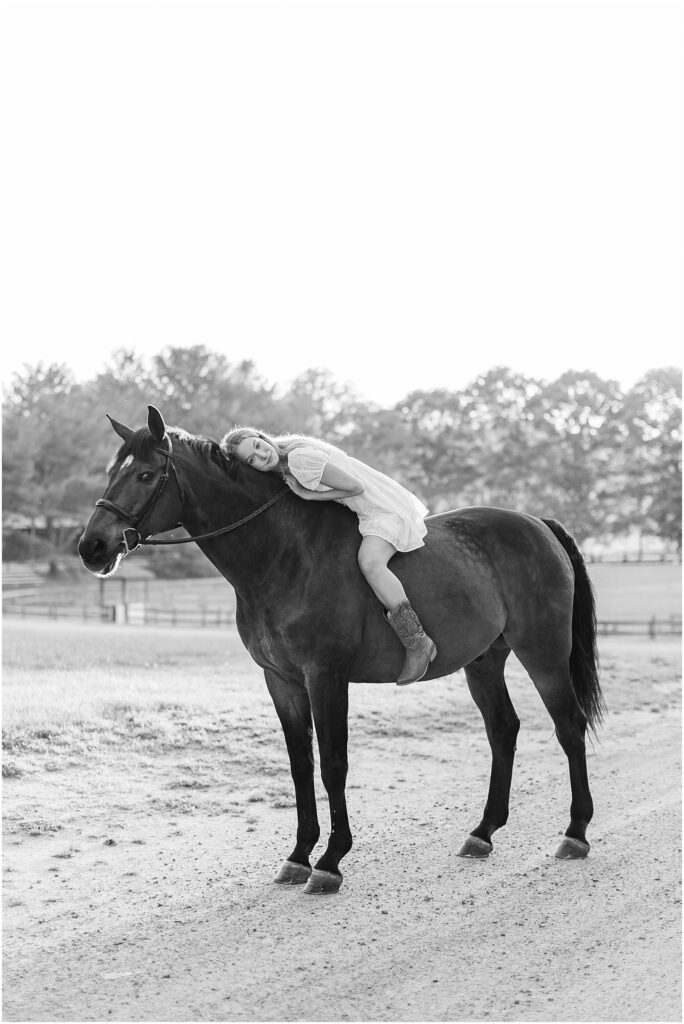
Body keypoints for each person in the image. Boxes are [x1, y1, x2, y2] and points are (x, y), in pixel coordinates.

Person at [223, 427, 437, 685]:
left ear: (263, 437)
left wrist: (308, 495)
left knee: (370, 563)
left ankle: (418, 642)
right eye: (251, 459)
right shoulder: (287, 462)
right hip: (364, 511)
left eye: (257, 446)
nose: (260, 455)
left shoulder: (299, 460)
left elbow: (355, 487)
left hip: (381, 509)